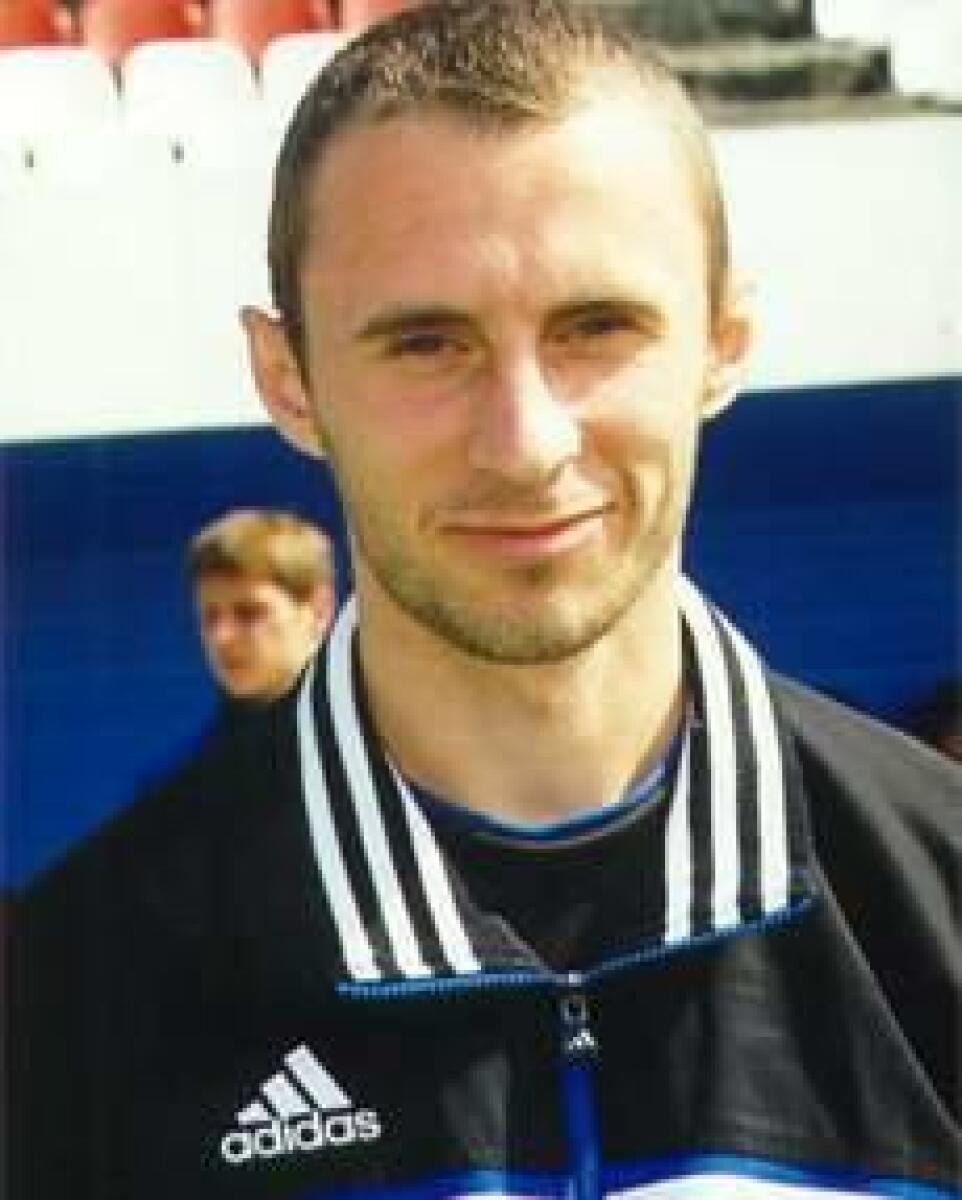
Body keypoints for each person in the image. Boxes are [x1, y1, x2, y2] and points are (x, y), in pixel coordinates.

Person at [14, 3, 960, 1197]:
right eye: (427, 343)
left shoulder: (937, 897)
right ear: (287, 377)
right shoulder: (64, 1005)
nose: (524, 442)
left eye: (595, 327)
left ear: (724, 341)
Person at [188, 507, 335, 706]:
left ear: (318, 610)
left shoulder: (370, 712)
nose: (222, 637)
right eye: (210, 617)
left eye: (249, 613)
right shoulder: (219, 727)